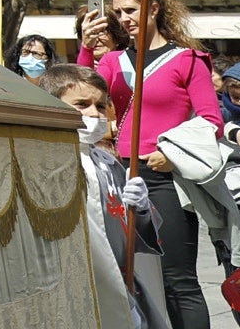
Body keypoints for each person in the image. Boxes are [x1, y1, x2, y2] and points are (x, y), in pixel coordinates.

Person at [80, 0, 219, 329]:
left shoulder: (187, 60)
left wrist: (171, 153)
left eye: (131, 10)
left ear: (153, 9)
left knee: (178, 282)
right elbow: (80, 94)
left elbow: (211, 121)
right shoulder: (113, 60)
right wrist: (85, 49)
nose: (124, 18)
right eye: (118, 12)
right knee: (127, 277)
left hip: (164, 179)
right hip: (118, 174)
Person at [40, 63, 170, 329]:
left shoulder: (109, 162)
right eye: (82, 104)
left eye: (100, 106)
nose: (94, 114)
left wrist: (141, 209)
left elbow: (134, 231)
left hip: (121, 280)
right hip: (76, 285)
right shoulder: (47, 163)